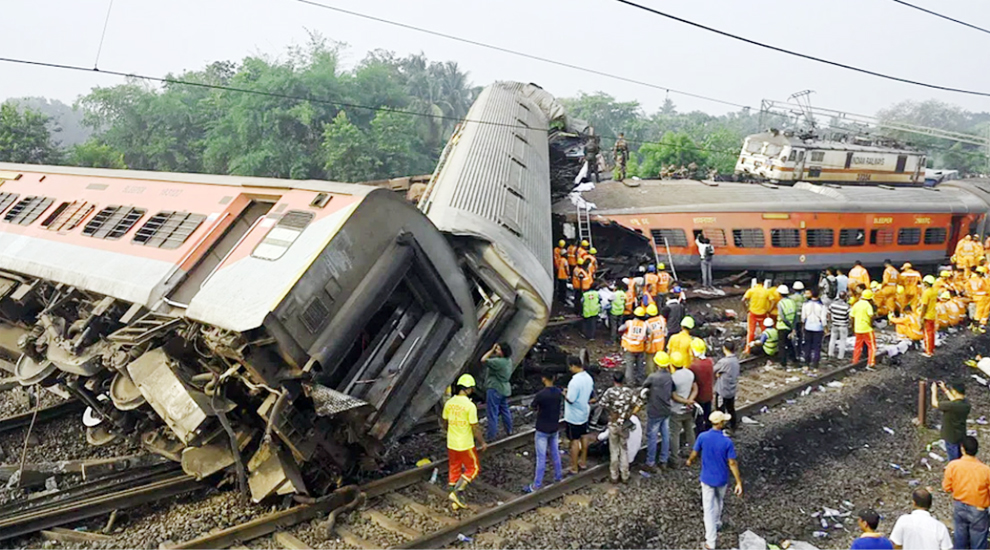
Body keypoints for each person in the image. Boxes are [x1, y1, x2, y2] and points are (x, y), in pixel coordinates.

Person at [686, 410, 743, 550]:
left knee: (708, 508)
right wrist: (738, 481)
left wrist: (690, 460)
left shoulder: (703, 437)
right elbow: (732, 463)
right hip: (722, 479)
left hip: (706, 478)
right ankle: (717, 523)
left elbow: (695, 451)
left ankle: (710, 542)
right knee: (719, 501)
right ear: (721, 423)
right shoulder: (727, 442)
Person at [442, 374, 487, 509]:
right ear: (468, 389)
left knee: (454, 467)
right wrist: (482, 442)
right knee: (473, 468)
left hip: (452, 442)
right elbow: (475, 427)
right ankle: (458, 491)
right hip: (465, 444)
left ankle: (452, 498)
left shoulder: (449, 403)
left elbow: (445, 422)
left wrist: (450, 430)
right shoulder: (470, 406)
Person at [942, 436, 990, 550]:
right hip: (978, 509)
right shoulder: (986, 470)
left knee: (960, 540)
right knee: (978, 542)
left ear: (962, 449)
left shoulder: (953, 466)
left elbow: (946, 487)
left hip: (959, 505)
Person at [598, 371, 642, 484]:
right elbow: (639, 404)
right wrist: (630, 414)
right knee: (624, 450)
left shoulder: (609, 392)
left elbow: (602, 404)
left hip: (613, 424)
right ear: (623, 380)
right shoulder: (629, 392)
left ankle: (614, 475)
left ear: (614, 380)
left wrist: (611, 411)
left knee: (614, 450)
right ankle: (625, 475)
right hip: (624, 425)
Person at [525, 373, 563, 493]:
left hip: (542, 429)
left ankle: (536, 485)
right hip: (554, 427)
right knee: (555, 453)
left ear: (543, 378)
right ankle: (558, 477)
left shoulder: (541, 395)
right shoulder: (558, 392)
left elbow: (532, 407)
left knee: (541, 457)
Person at [642, 352, 673, 471]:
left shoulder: (653, 377)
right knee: (665, 435)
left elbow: (644, 388)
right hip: (666, 409)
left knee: (652, 436)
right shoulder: (669, 376)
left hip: (654, 410)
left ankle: (650, 462)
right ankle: (663, 460)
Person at [563, 355, 594, 475]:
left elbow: (571, 399)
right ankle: (583, 462)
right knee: (584, 436)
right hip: (584, 412)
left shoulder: (574, 381)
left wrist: (564, 393)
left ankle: (574, 467)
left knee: (574, 440)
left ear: (573, 366)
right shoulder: (588, 377)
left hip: (573, 416)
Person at [669, 351, 698, 462]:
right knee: (689, 430)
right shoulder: (690, 373)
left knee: (674, 434)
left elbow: (674, 396)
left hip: (676, 410)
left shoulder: (673, 378)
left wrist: (685, 401)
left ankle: (675, 458)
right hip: (688, 409)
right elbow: (695, 388)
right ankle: (693, 453)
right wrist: (690, 400)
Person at [482, 342, 514, 441]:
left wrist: (491, 350)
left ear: (503, 352)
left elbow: (483, 360)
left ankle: (491, 436)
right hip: (504, 389)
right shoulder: (508, 361)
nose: (496, 350)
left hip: (495, 389)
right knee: (505, 410)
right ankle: (509, 430)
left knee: (492, 413)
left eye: (498, 349)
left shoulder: (497, 362)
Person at [932, 380, 971, 461]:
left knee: (953, 460)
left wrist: (934, 391)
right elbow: (955, 400)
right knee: (960, 456)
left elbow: (935, 403)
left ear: (955, 391)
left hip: (950, 436)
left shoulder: (951, 406)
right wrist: (945, 390)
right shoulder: (966, 404)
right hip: (961, 435)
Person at [690, 338, 715, 434]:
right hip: (708, 394)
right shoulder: (709, 361)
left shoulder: (693, 366)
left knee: (699, 419)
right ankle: (709, 432)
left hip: (698, 396)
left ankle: (700, 436)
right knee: (708, 415)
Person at [714, 341, 740, 431]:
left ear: (724, 349)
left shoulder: (723, 362)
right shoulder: (736, 360)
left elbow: (714, 369)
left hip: (722, 390)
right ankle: (733, 425)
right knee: (730, 408)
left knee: (720, 409)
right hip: (731, 389)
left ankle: (719, 427)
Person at [620, 308, 649, 385]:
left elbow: (620, 329)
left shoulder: (629, 323)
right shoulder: (644, 325)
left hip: (629, 348)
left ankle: (630, 383)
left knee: (629, 367)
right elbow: (649, 333)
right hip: (640, 348)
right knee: (640, 366)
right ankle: (641, 381)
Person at [743, 280, 772, 352]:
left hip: (753, 313)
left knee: (751, 332)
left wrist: (746, 309)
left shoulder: (751, 291)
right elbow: (773, 301)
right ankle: (765, 347)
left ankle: (748, 349)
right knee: (765, 331)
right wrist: (769, 309)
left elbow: (743, 300)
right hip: (763, 314)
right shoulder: (766, 291)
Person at [851, 289, 877, 367]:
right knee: (872, 346)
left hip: (858, 328)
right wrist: (871, 325)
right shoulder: (867, 305)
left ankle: (855, 361)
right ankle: (871, 363)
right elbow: (871, 316)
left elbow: (852, 317)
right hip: (867, 329)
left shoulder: (856, 304)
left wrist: (853, 327)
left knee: (857, 346)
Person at [802, 290, 828, 368]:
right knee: (817, 346)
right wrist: (826, 328)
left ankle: (807, 362)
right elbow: (823, 319)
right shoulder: (822, 306)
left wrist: (803, 325)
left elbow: (803, 317)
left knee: (808, 345)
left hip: (808, 327)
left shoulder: (805, 304)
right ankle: (815, 363)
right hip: (818, 328)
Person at [775, 285, 798, 366]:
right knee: (789, 343)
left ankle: (783, 362)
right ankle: (793, 358)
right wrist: (793, 327)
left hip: (782, 326)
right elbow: (795, 315)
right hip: (791, 326)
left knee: (782, 345)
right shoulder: (792, 302)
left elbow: (782, 316)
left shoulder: (780, 303)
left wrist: (788, 324)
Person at [918, 275, 938, 358]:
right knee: (931, 333)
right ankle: (931, 349)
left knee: (927, 334)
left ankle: (928, 351)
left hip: (927, 315)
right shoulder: (934, 291)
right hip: (933, 314)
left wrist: (921, 317)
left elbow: (924, 306)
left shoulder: (926, 293)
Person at [828, 291, 851, 360]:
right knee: (842, 341)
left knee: (832, 339)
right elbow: (850, 316)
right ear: (845, 297)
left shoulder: (833, 304)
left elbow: (829, 313)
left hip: (834, 324)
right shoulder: (847, 306)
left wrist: (830, 321)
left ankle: (830, 353)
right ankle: (840, 356)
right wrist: (849, 324)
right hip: (843, 325)